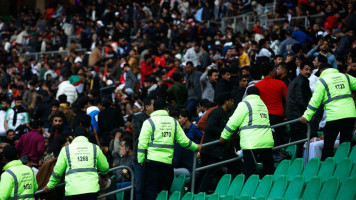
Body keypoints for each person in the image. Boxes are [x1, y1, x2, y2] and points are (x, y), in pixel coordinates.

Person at [137, 98, 202, 200]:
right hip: (167, 164)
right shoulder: (173, 122)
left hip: (151, 163)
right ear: (166, 108)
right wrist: (196, 147)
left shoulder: (148, 122)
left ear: (154, 108)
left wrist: (140, 160)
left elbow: (142, 144)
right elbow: (184, 141)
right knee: (164, 193)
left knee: (150, 192)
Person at [300, 64, 356, 161]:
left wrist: (306, 116)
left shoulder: (322, 81)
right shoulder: (346, 76)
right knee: (345, 143)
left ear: (322, 71)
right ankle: (344, 164)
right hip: (350, 114)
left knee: (328, 144)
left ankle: (326, 165)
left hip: (334, 116)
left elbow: (315, 101)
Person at [43, 122, 109, 200]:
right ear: (87, 137)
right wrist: (104, 173)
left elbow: (57, 172)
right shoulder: (95, 148)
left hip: (72, 190)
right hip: (91, 190)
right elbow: (105, 167)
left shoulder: (66, 149)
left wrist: (50, 186)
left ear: (74, 137)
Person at [220, 87, 274, 179]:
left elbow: (233, 122)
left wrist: (224, 136)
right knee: (268, 170)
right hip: (267, 141)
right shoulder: (263, 105)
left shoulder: (244, 104)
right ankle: (268, 190)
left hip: (251, 142)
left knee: (249, 170)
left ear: (247, 94)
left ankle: (250, 191)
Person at [254, 63, 287, 147]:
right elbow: (288, 99)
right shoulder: (281, 83)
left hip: (263, 116)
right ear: (271, 72)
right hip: (278, 115)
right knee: (279, 140)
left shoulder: (256, 86)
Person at [286, 61, 313, 158]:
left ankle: (297, 161)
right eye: (306, 69)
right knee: (299, 141)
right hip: (298, 115)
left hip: (294, 115)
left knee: (297, 141)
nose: (308, 72)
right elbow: (300, 99)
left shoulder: (299, 80)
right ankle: (299, 161)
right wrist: (308, 113)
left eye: (310, 70)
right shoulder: (301, 81)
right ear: (300, 70)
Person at [132, 97, 154, 200]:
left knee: (151, 187)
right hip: (139, 157)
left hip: (153, 157)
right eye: (153, 105)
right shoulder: (138, 118)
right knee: (139, 188)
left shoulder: (157, 119)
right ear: (147, 107)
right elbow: (140, 133)